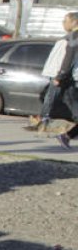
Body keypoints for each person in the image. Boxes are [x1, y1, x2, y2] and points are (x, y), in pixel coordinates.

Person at [54, 12, 78, 149]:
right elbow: (68, 59)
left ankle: (67, 136)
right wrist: (61, 75)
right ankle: (67, 136)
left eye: (65, 20)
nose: (64, 23)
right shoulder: (74, 37)